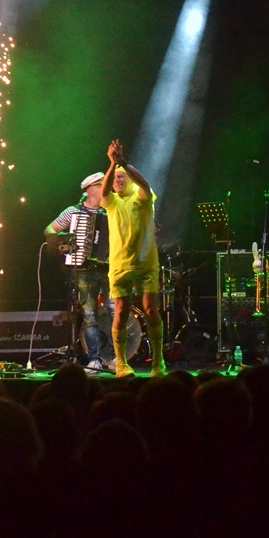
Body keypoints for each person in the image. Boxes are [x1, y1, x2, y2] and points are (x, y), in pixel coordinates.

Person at [100, 139, 165, 379]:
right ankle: (121, 364)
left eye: (121, 177)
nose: (117, 181)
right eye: (115, 178)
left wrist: (123, 163)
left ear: (129, 179)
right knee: (121, 312)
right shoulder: (112, 202)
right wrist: (112, 164)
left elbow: (144, 184)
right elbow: (103, 191)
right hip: (120, 266)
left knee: (150, 309)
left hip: (146, 264)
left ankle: (158, 363)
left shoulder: (142, 197)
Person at [45, 172, 112, 372]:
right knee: (89, 315)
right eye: (101, 186)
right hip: (83, 270)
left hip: (109, 268)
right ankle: (94, 359)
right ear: (91, 189)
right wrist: (64, 240)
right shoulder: (73, 212)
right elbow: (50, 229)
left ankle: (117, 357)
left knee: (114, 310)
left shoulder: (111, 211)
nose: (106, 189)